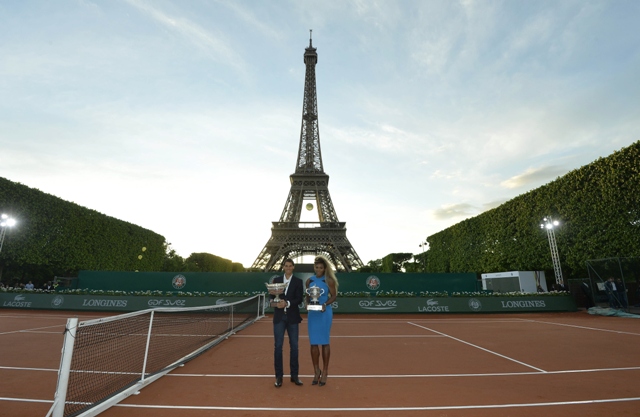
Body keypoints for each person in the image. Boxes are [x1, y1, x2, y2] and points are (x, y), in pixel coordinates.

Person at [270, 258, 304, 388]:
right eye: (286, 266)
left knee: (294, 347)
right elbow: (271, 298)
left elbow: (299, 299)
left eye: (290, 266)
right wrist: (276, 304)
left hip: (293, 318)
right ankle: (279, 376)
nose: (288, 268)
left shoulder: (298, 282)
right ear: (283, 267)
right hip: (279, 317)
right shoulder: (277, 281)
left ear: (293, 267)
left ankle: (294, 376)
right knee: (278, 347)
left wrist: (287, 303)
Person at [306, 255, 338, 387]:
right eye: (316, 267)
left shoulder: (329, 280)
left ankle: (325, 371)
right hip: (313, 314)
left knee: (324, 342)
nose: (318, 269)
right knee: (313, 343)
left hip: (324, 313)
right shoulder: (309, 281)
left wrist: (325, 304)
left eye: (320, 267)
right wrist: (307, 303)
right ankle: (316, 371)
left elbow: (334, 295)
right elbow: (308, 296)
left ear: (325, 268)